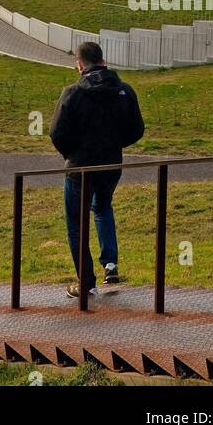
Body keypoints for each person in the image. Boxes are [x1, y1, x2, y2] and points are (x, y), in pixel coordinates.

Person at [50, 41, 144, 299]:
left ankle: (86, 282)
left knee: (75, 223)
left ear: (79, 64)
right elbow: (136, 129)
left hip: (79, 168)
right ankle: (110, 263)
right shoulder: (123, 90)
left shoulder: (72, 93)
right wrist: (113, 145)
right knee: (102, 206)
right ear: (103, 60)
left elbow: (57, 132)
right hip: (111, 163)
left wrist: (73, 153)